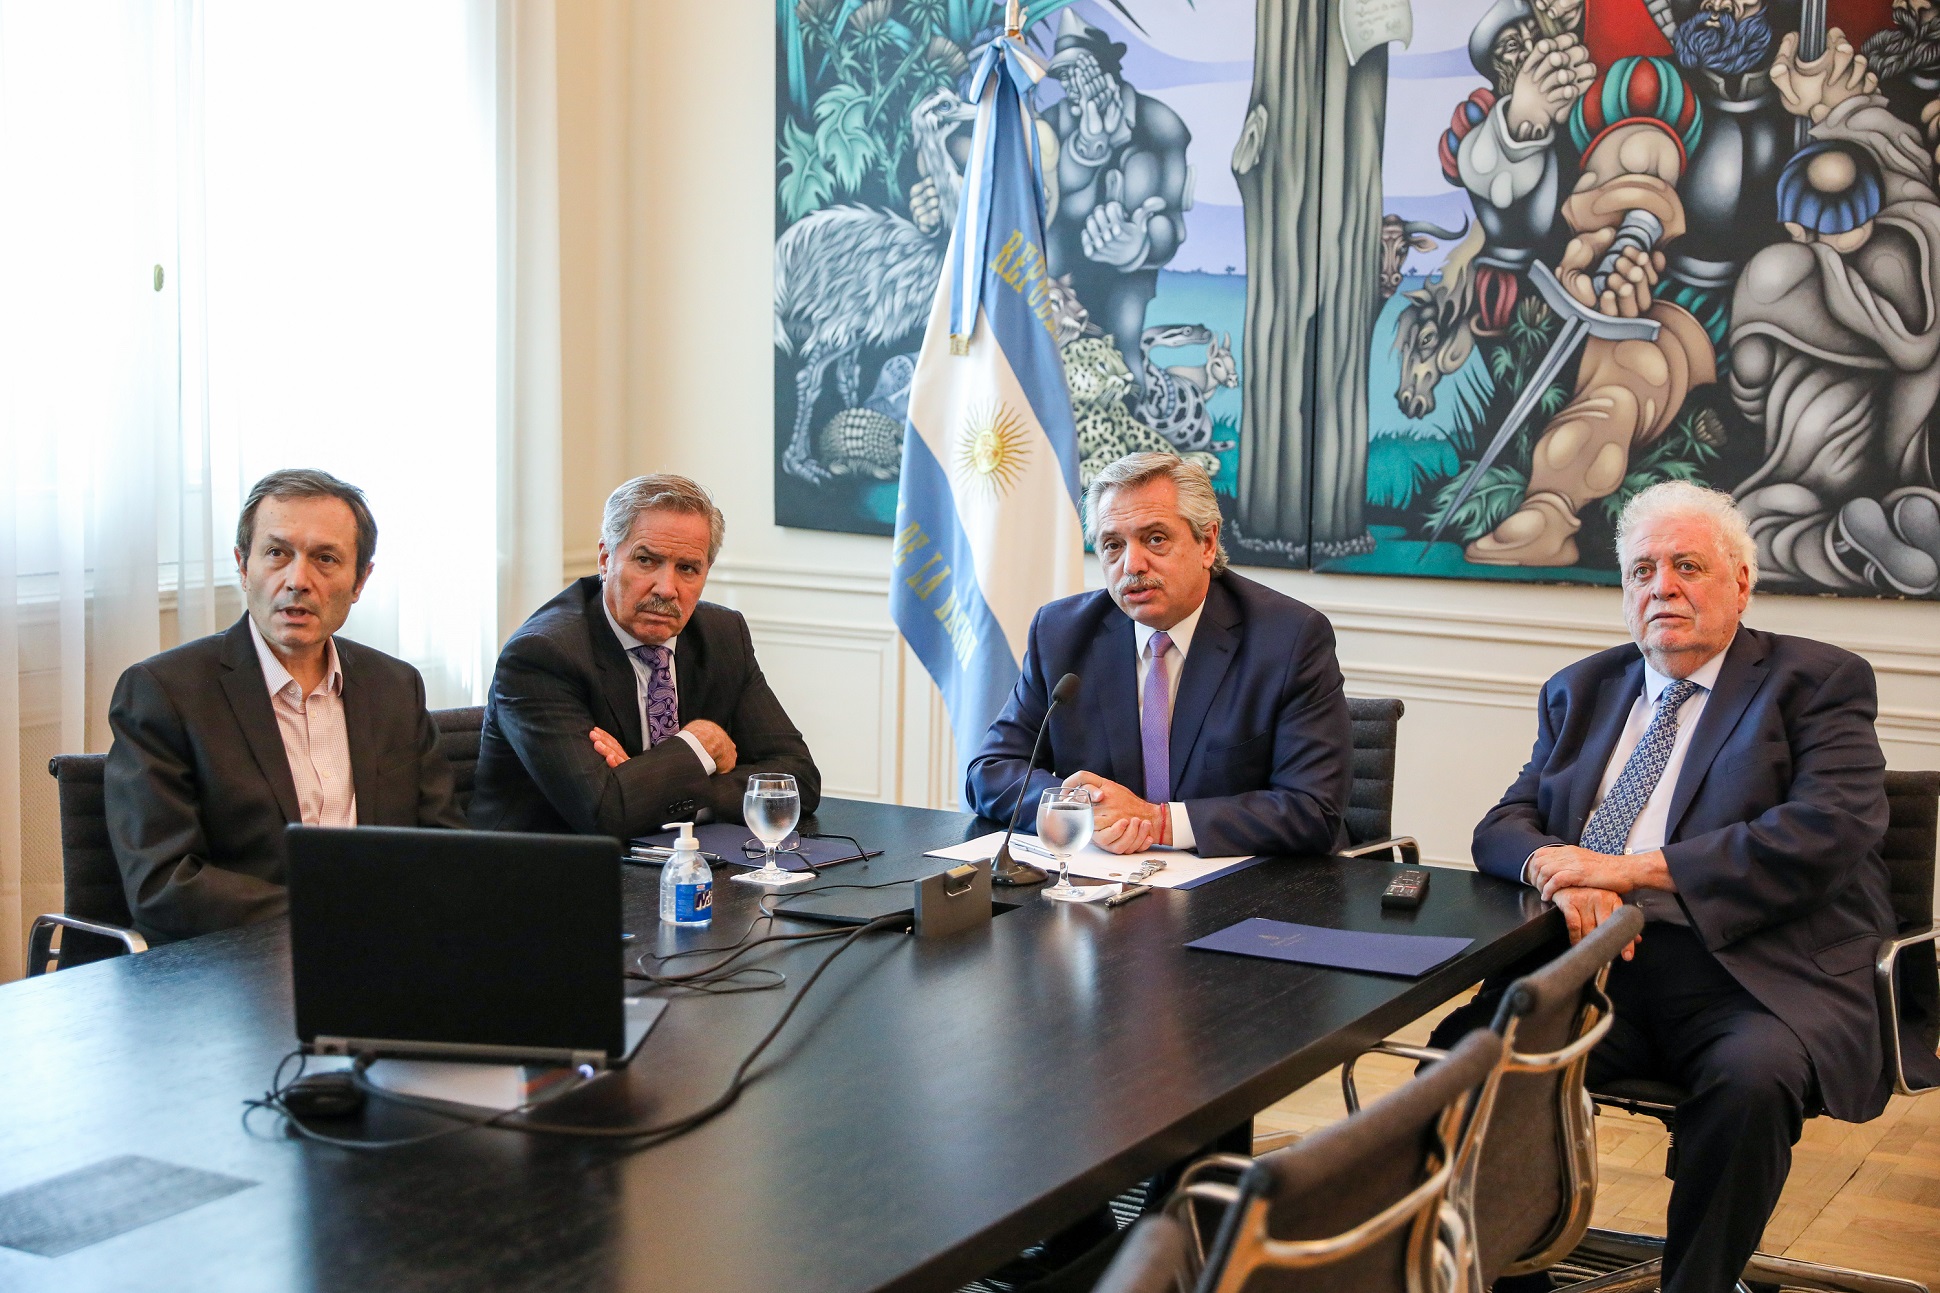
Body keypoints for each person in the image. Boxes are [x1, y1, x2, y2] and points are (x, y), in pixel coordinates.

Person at [1447, 480, 1917, 1293]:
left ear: (1741, 580)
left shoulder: (1816, 682)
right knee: (1462, 1062)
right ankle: (1505, 1275)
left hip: (1754, 973)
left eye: (1687, 565)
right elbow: (1505, 823)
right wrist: (1556, 873)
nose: (1660, 586)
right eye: (1640, 570)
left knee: (1750, 1083)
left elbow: (1825, 831)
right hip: (1591, 965)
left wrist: (1626, 869)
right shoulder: (1582, 688)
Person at [105, 469, 462, 944]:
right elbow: (164, 884)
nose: (298, 580)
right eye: (277, 553)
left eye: (325, 559)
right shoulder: (163, 692)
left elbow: (447, 849)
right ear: (242, 564)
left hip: (387, 954)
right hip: (232, 966)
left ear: (360, 580)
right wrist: (334, 916)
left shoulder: (394, 687)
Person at [965, 453, 1352, 858]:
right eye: (1113, 545)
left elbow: (1313, 809)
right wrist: (1083, 810)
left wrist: (1160, 821)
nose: (1132, 564)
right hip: (1105, 888)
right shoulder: (1061, 633)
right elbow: (990, 772)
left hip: (1245, 893)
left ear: (1208, 542)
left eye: (1155, 539)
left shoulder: (1288, 638)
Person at [470, 474, 820, 838]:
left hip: (669, 863)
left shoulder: (722, 635)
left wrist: (648, 786)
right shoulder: (543, 656)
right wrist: (698, 747)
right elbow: (605, 813)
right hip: (542, 876)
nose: (666, 589)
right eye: (646, 561)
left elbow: (796, 780)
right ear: (606, 560)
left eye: (687, 568)